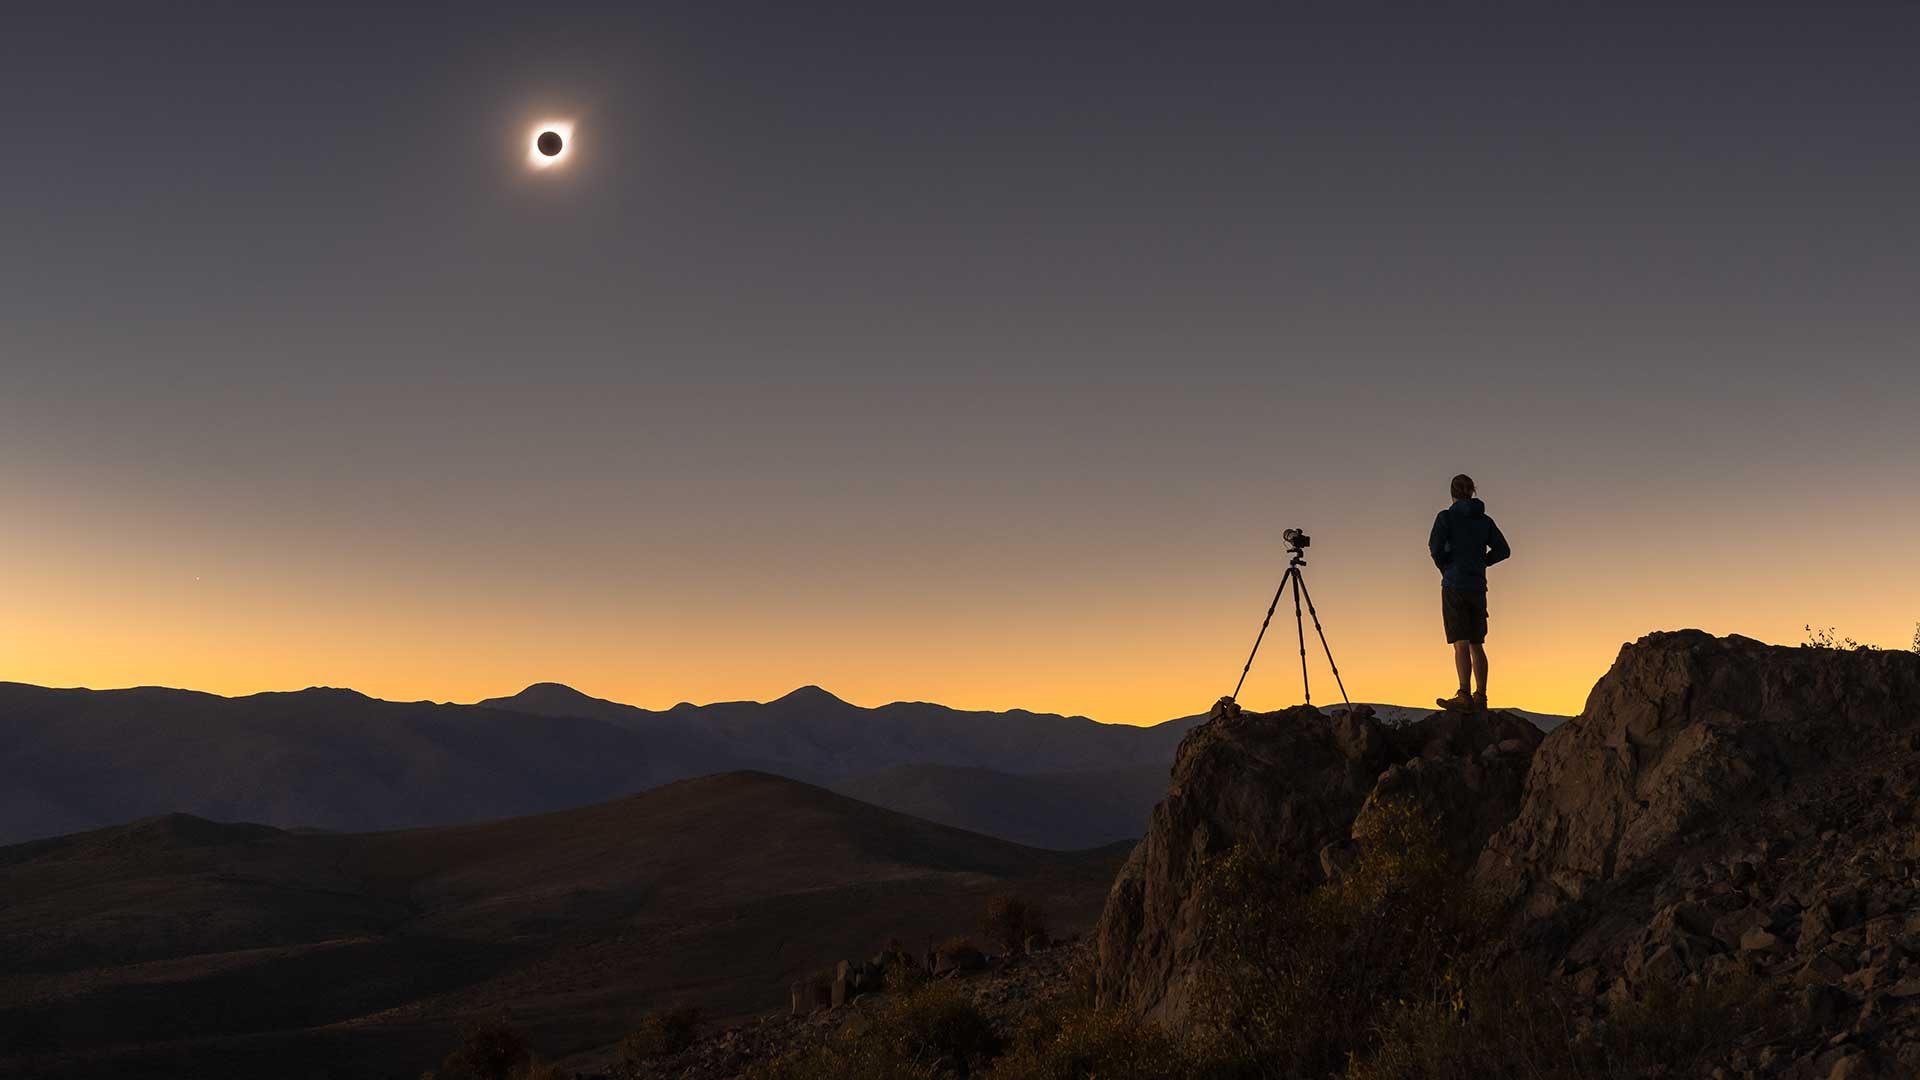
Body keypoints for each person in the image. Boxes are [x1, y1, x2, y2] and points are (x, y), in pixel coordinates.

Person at [1429, 473, 1510, 711]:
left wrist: (1446, 567)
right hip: (1477, 586)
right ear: (1472, 491)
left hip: (1455, 584)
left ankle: (1464, 694)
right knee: (1477, 642)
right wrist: (1482, 562)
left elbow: (1434, 548)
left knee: (1460, 642)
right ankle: (1481, 696)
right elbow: (1503, 550)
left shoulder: (1446, 518)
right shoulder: (1484, 521)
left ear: (1452, 493)